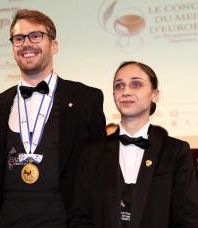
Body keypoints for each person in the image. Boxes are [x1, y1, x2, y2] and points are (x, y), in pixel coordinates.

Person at [0, 9, 106, 228]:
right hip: (8, 220)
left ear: (54, 45)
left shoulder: (86, 99)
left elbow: (98, 171)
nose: (26, 44)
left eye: (36, 36)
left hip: (64, 219)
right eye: (19, 38)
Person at [69, 61, 198, 228]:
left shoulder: (175, 151)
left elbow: (188, 218)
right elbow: (79, 215)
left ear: (155, 94)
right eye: (119, 86)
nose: (126, 91)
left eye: (136, 84)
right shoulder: (92, 152)